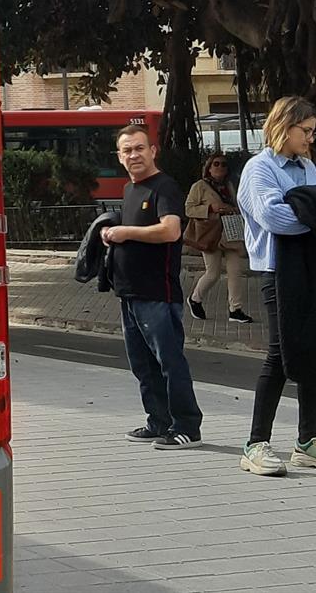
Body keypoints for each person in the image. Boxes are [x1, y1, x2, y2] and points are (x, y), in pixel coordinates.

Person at [234, 96, 316, 476]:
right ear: (283, 127)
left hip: (313, 265)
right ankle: (256, 443)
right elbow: (276, 218)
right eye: (305, 130)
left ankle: (308, 440)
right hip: (278, 270)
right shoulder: (259, 169)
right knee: (281, 353)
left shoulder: (306, 167)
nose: (310, 138)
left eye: (313, 131)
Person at [102, 125, 203, 448]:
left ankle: (187, 426)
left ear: (153, 151)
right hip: (130, 293)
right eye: (127, 150)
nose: (134, 155)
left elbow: (171, 230)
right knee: (143, 366)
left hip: (158, 294)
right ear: (119, 157)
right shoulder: (130, 189)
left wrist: (125, 232)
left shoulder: (165, 187)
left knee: (170, 363)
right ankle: (158, 422)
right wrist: (110, 233)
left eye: (139, 148)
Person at [186, 155, 253, 323]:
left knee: (235, 272)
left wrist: (234, 209)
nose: (220, 167)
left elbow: (238, 204)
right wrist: (210, 208)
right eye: (216, 164)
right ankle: (195, 298)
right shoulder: (200, 186)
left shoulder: (229, 186)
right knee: (213, 273)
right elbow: (189, 209)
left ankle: (235, 309)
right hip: (211, 234)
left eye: (223, 164)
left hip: (231, 233)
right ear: (209, 168)